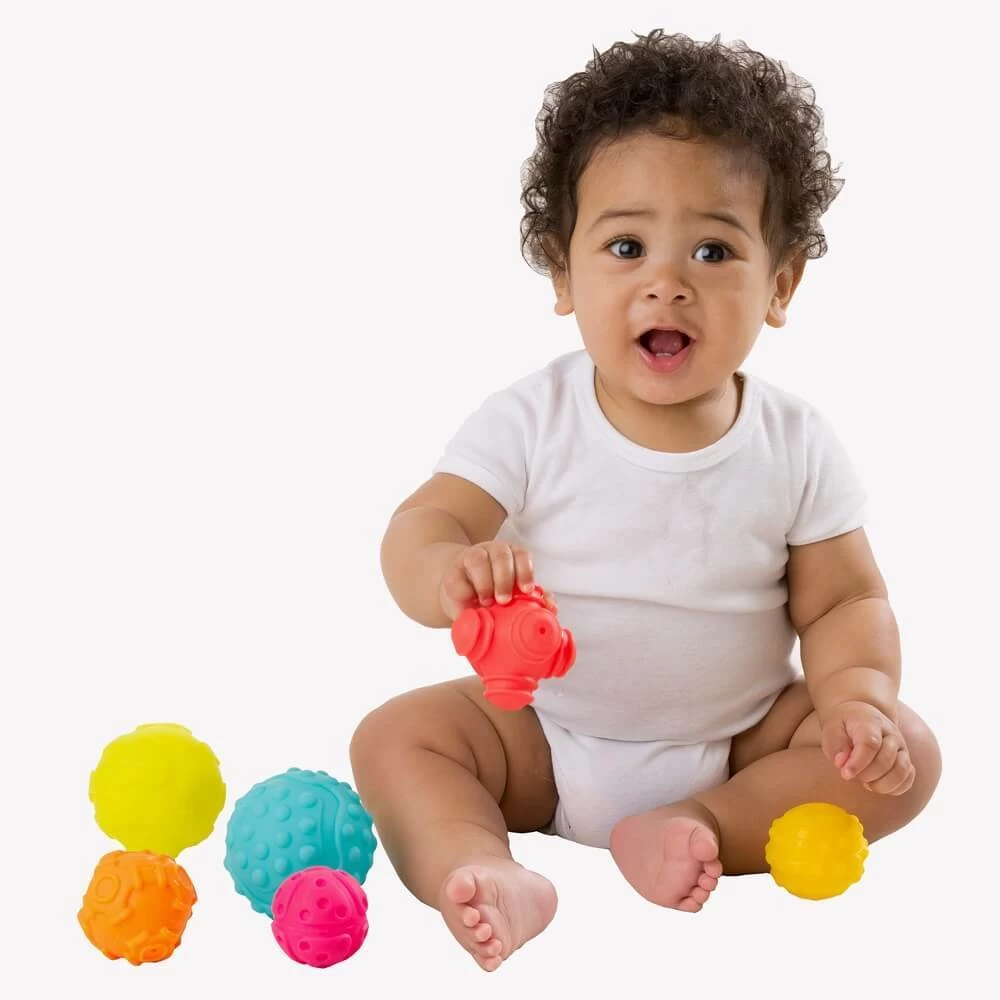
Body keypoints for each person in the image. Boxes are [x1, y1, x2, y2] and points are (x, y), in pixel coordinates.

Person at [350, 29, 941, 973]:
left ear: (780, 283)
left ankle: (696, 824)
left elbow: (844, 602)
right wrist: (447, 570)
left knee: (907, 756)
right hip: (540, 735)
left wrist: (855, 700)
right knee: (394, 739)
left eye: (713, 249)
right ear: (563, 273)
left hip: (741, 740)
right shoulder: (531, 420)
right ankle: (481, 863)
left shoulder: (795, 442)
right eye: (626, 246)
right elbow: (422, 525)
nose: (667, 282)